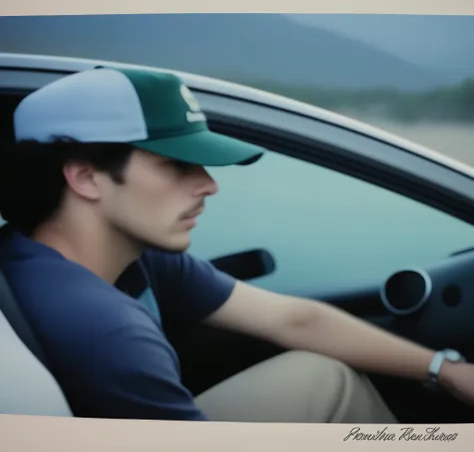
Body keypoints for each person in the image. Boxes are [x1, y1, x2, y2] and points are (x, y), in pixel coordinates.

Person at [0, 66, 473, 423]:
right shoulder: (107, 329)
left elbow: (295, 319)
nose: (209, 185)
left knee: (321, 373)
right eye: (177, 165)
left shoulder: (124, 258)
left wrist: (444, 369)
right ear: (86, 177)